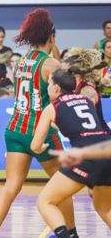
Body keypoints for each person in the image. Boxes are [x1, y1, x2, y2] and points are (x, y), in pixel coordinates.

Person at [0, 8, 77, 238]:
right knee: (64, 185)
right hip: (40, 131)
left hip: (15, 128)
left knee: (11, 186)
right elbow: (62, 99)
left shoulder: (22, 60)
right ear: (52, 37)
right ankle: (72, 233)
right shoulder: (51, 65)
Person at [31, 69, 111, 234]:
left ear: (56, 89)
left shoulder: (52, 108)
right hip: (105, 154)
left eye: (49, 85)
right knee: (105, 210)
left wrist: (42, 147)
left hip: (85, 157)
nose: (47, 88)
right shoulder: (87, 100)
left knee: (45, 202)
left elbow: (35, 146)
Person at [64, 48, 111, 136]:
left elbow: (89, 124)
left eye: (69, 60)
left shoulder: (87, 90)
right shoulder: (76, 86)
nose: (64, 62)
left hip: (99, 139)